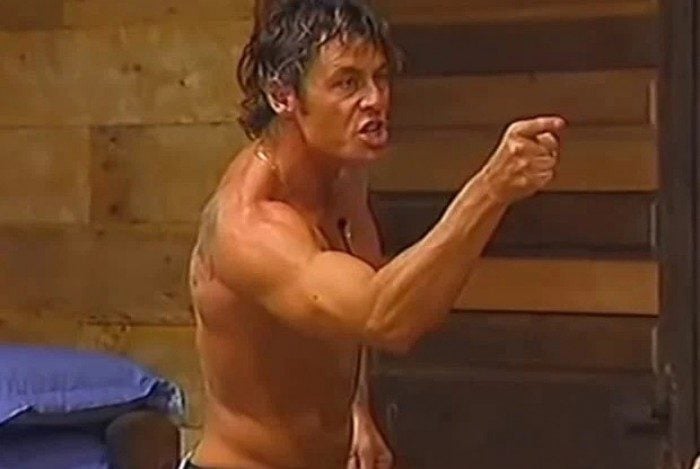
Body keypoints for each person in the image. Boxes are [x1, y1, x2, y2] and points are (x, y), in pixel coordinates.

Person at [185, 0, 566, 467]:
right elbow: (385, 318)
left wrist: (357, 409)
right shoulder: (249, 225)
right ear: (283, 96)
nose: (375, 99)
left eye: (380, 77)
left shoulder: (344, 179)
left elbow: (355, 301)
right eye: (347, 83)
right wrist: (490, 191)